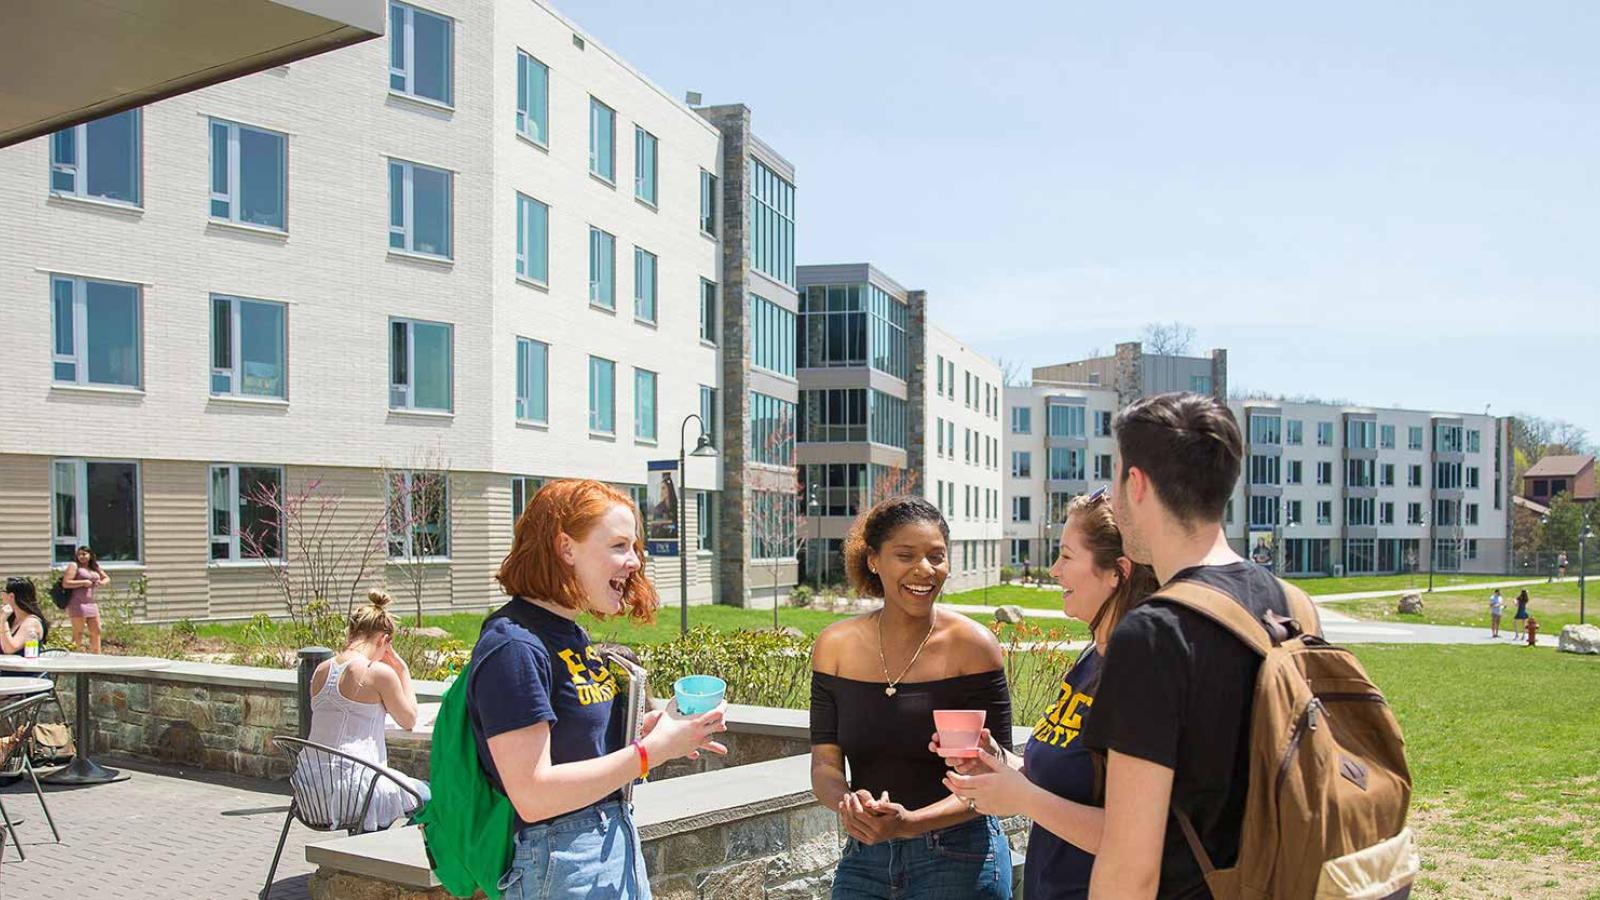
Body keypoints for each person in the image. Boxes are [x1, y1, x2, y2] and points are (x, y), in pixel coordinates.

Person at [1079, 392, 1315, 899]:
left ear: (1135, 484)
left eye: (1115, 474)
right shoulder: (1293, 605)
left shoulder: (1153, 635)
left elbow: (1129, 867)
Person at [469, 479, 726, 900]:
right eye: (619, 546)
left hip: (609, 844)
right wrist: (649, 753)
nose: (634, 563)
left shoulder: (570, 635)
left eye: (634, 547)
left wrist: (651, 731)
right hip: (560, 860)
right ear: (566, 548)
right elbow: (533, 794)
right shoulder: (513, 646)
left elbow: (576, 746)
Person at [941, 488, 1160, 900]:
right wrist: (996, 762)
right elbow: (1063, 774)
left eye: (1066, 556)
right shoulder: (1090, 660)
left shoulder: (1142, 675)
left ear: (1118, 572)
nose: (1054, 571)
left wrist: (1023, 798)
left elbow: (1136, 838)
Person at [810, 495, 1014, 900]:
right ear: (874, 559)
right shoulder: (835, 648)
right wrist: (851, 805)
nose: (924, 570)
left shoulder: (972, 647)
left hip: (961, 857)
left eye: (936, 556)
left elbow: (995, 779)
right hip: (865, 855)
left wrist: (909, 823)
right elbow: (824, 766)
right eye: (906, 555)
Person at [293, 589, 429, 831]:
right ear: (384, 641)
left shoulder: (321, 669)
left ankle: (368, 850)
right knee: (430, 795)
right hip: (356, 791)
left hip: (311, 792)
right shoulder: (377, 673)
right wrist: (403, 670)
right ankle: (385, 854)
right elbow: (409, 719)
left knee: (384, 789)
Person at [62, 546, 108, 653]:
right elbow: (66, 583)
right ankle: (73, 656)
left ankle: (97, 655)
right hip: (77, 603)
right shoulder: (74, 566)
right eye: (79, 554)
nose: (81, 556)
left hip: (91, 603)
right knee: (78, 633)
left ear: (90, 555)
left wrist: (101, 583)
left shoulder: (94, 567)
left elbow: (106, 578)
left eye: (84, 554)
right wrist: (83, 583)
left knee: (96, 630)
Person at [1, 577, 50, 656]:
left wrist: (3, 621)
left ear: (11, 596)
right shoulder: (13, 619)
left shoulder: (31, 622)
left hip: (19, 667)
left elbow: (10, 649)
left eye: (3, 592)